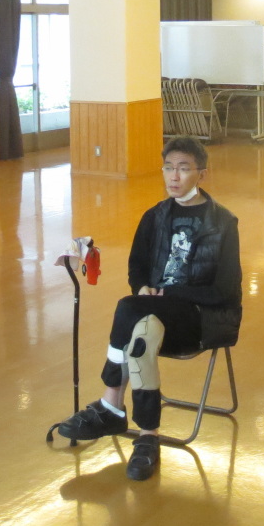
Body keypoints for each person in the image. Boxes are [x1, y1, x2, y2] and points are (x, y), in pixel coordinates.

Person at [50, 138, 241, 481]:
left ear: (202, 174)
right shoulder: (154, 216)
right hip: (154, 311)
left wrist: (171, 292)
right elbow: (136, 267)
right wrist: (142, 288)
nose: (174, 176)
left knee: (128, 309)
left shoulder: (223, 222)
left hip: (201, 317)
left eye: (183, 169)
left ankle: (111, 405)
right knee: (140, 339)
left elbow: (225, 291)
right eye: (168, 168)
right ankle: (148, 437)